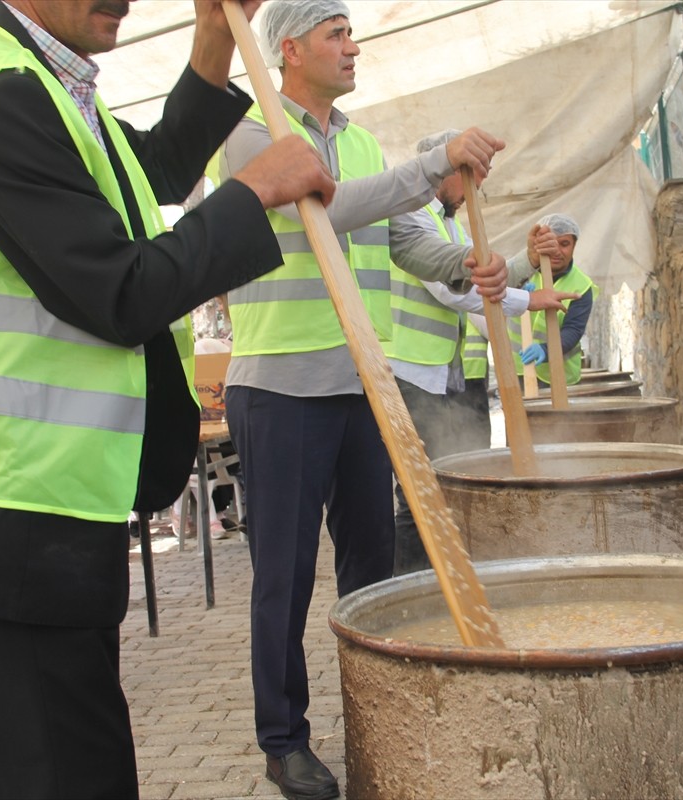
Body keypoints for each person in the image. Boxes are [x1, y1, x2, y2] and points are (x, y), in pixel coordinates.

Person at [0, 1, 335, 797]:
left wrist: (212, 38)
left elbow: (154, 172)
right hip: (12, 511)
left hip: (10, 501)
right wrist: (251, 191)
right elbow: (120, 292)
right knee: (64, 772)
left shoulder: (49, 89)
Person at [214, 3, 508, 798]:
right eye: (337, 32)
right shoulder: (252, 131)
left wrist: (468, 266)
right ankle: (284, 741)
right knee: (285, 573)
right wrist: (430, 163)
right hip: (279, 387)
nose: (353, 45)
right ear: (291, 48)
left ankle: (377, 707)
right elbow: (328, 204)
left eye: (353, 32)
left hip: (360, 387)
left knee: (371, 565)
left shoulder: (366, 140)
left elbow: (401, 238)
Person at [387, 129, 578, 574]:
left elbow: (485, 275)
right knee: (421, 497)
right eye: (475, 171)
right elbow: (455, 291)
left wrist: (528, 261)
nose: (482, 183)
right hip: (413, 375)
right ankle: (414, 589)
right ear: (448, 168)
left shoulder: (448, 218)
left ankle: (448, 582)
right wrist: (529, 300)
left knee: (447, 489)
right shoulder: (412, 214)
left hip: (444, 377)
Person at [509, 213, 597, 386]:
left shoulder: (582, 286)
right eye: (551, 243)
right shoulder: (522, 272)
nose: (556, 250)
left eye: (564, 244)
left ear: (574, 246)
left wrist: (546, 349)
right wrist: (516, 292)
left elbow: (573, 329)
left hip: (559, 377)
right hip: (518, 370)